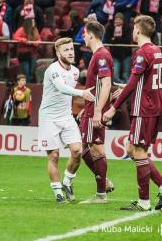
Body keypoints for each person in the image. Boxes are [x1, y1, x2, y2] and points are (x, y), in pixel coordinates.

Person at [103, 15, 162, 211]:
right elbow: (140, 82)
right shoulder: (157, 51)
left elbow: (135, 83)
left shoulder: (142, 53)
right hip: (152, 106)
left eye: (134, 27)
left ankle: (144, 202)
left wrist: (113, 107)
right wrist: (124, 87)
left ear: (138, 31)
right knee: (131, 150)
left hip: (143, 108)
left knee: (139, 152)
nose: (132, 31)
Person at [38, 37, 95, 203]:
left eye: (71, 49)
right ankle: (57, 192)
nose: (70, 52)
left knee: (77, 151)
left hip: (66, 116)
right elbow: (61, 88)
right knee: (54, 155)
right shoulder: (52, 70)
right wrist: (82, 93)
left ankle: (67, 182)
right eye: (66, 50)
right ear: (58, 53)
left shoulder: (76, 71)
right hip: (49, 117)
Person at [79, 21, 115, 203]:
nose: (83, 37)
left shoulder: (101, 56)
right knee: (82, 147)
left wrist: (98, 111)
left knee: (96, 148)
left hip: (95, 110)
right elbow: (98, 85)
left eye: (84, 34)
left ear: (91, 35)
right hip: (90, 108)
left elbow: (106, 83)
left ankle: (101, 194)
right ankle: (104, 182)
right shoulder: (99, 55)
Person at [13, 17, 41, 82]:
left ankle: (31, 85)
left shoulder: (35, 30)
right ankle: (27, 86)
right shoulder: (22, 29)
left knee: (32, 72)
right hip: (24, 54)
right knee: (26, 72)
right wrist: (25, 40)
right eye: (33, 22)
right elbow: (15, 37)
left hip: (33, 54)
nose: (34, 23)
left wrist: (35, 43)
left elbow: (39, 39)